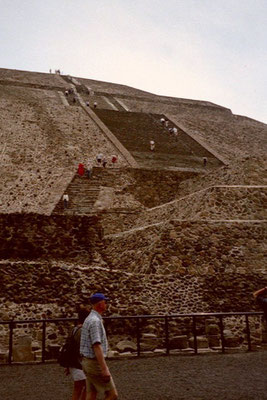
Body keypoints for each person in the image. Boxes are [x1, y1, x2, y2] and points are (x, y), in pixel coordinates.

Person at [80, 293, 118, 400]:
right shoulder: (95, 321)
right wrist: (104, 368)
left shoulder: (89, 319)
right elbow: (96, 345)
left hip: (87, 362)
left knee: (91, 394)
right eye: (105, 302)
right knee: (112, 394)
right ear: (100, 304)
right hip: (94, 363)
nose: (106, 304)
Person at [65, 305, 90, 400]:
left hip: (74, 363)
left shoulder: (74, 329)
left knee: (79, 388)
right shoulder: (83, 331)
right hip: (79, 363)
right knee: (86, 387)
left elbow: (69, 347)